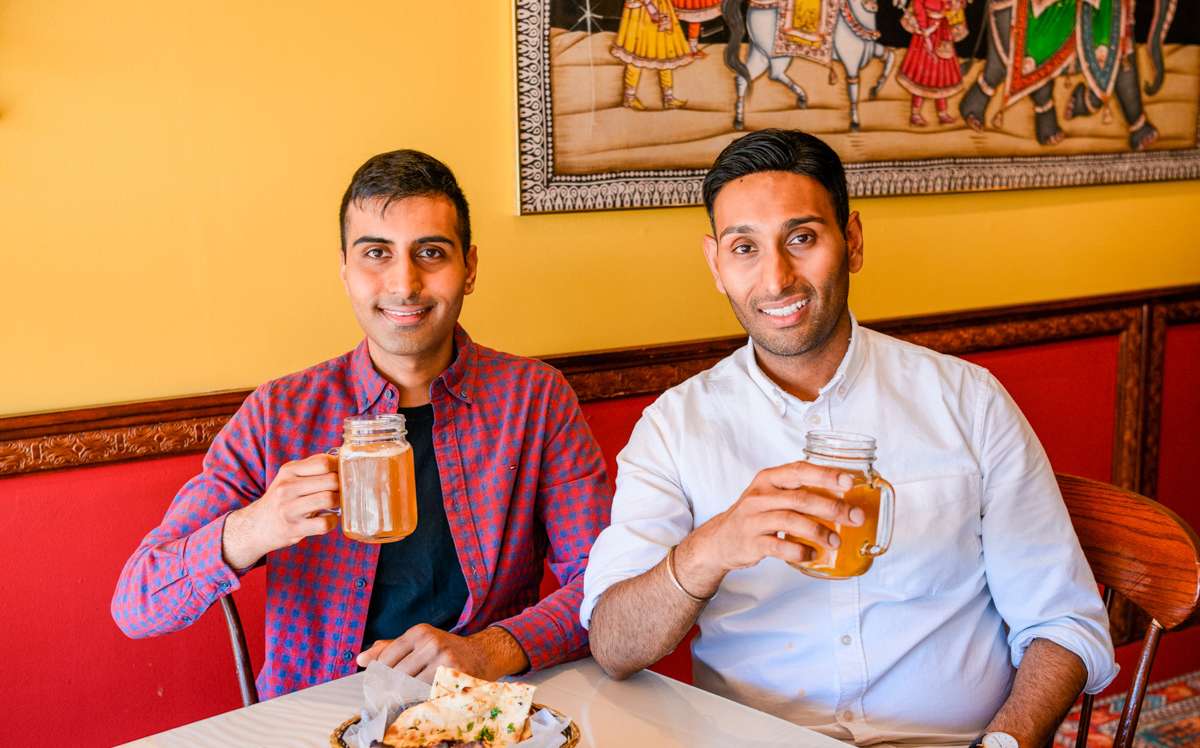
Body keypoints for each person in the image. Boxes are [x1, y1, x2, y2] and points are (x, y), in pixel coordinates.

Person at [581, 129, 1116, 747]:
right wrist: (714, 545)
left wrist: (1004, 743)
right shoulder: (673, 429)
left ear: (853, 241)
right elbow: (614, 646)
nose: (777, 278)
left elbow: (1062, 623)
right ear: (716, 265)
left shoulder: (970, 401)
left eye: (801, 239)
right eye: (744, 247)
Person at [112, 150, 610, 699]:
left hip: (479, 707)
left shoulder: (535, 400)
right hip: (314, 712)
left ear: (468, 269)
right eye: (377, 253)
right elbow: (138, 605)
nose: (404, 283)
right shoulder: (280, 412)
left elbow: (602, 583)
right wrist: (258, 526)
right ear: (345, 269)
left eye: (431, 252)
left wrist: (488, 648)